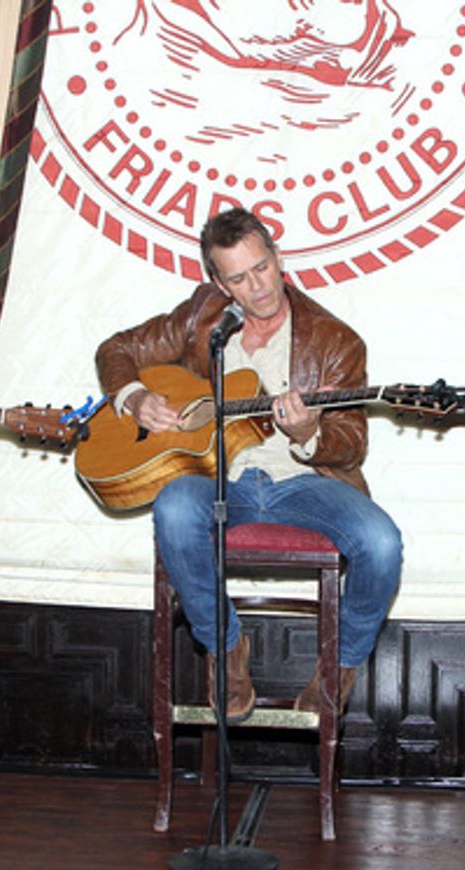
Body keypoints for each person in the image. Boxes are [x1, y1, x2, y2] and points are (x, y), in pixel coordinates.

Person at [96, 206, 403, 722]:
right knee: (172, 507)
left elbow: (352, 442)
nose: (257, 286)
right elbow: (117, 350)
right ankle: (226, 647)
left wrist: (308, 433)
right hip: (221, 481)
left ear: (278, 257)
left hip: (301, 482)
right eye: (237, 278)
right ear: (218, 281)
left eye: (262, 267)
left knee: (382, 543)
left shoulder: (335, 341)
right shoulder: (203, 318)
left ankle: (338, 669)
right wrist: (135, 397)